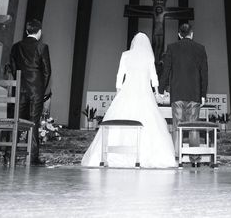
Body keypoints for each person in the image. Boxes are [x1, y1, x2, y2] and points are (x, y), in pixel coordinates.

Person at [81, 32, 176, 168]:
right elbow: (153, 76)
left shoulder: (126, 55)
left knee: (121, 117)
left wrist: (118, 91)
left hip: (128, 91)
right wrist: (157, 92)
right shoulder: (148, 56)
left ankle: (111, 154)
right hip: (144, 93)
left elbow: (120, 74)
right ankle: (146, 155)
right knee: (148, 120)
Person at [158, 23, 208, 158]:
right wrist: (203, 94)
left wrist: (161, 90)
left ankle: (176, 155)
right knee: (193, 125)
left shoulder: (172, 48)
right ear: (192, 34)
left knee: (177, 125)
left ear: (179, 35)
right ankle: (194, 157)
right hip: (194, 93)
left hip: (178, 92)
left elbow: (166, 71)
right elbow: (204, 73)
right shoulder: (200, 48)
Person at [10, 19, 51, 165]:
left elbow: (13, 68)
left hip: (20, 88)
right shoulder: (42, 46)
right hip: (36, 89)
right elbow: (47, 71)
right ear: (39, 32)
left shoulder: (16, 47)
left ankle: (12, 154)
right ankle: (32, 158)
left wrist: (19, 82)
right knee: (33, 122)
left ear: (27, 31)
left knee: (17, 120)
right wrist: (41, 88)